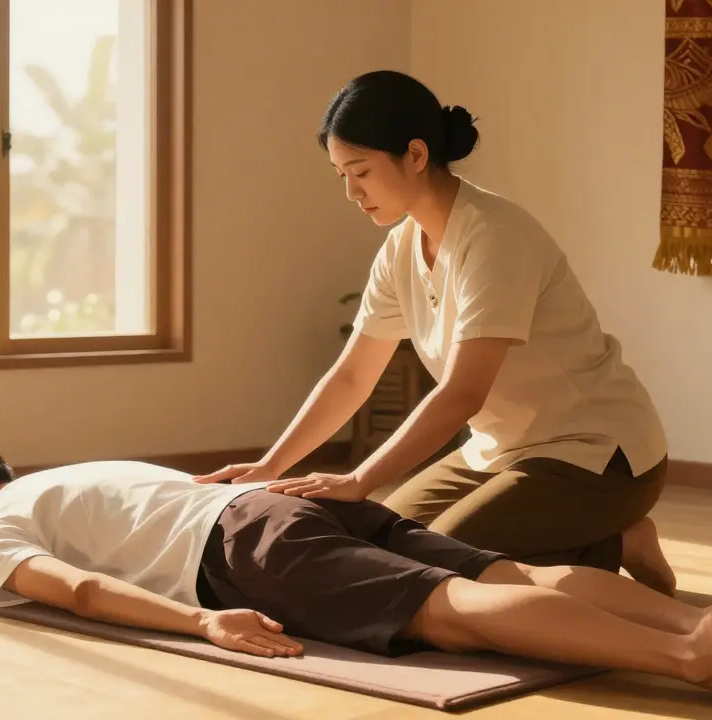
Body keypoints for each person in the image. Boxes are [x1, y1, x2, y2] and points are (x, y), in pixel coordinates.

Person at [0, 435, 712, 716]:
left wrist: (202, 622)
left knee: (452, 613)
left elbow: (83, 594)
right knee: (518, 570)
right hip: (291, 501)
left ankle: (696, 653)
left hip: (248, 547)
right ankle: (696, 618)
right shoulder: (70, 471)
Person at [193, 69, 675, 596]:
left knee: (434, 567)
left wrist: (359, 480)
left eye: (361, 172)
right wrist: (271, 465)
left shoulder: (496, 237)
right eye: (341, 176)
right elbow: (354, 375)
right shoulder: (402, 248)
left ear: (416, 155)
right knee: (378, 545)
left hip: (596, 455)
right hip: (498, 453)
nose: (352, 193)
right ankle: (598, 543)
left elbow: (463, 394)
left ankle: (619, 542)